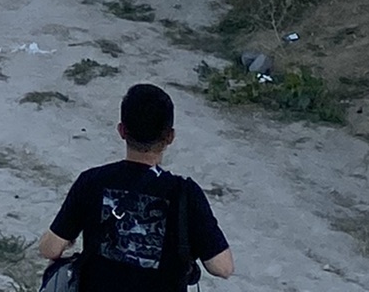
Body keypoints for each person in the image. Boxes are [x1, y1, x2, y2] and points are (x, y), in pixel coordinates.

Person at [40, 83, 233, 289]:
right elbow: (222, 267)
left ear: (122, 131)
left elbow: (49, 249)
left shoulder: (92, 181)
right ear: (170, 136)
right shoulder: (185, 193)